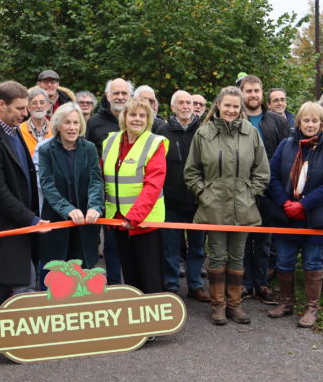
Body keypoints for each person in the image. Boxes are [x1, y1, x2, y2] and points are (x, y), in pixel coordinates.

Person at [185, 87, 270, 325]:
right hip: (214, 208)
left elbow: (262, 170)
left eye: (236, 106)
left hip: (243, 207)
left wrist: (251, 193)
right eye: (227, 105)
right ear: (219, 106)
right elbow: (191, 171)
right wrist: (204, 194)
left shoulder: (250, 133)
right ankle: (218, 306)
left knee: (237, 256)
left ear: (240, 108)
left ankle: (234, 305)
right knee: (217, 256)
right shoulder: (204, 133)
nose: (231, 110)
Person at [0, 81, 46, 308]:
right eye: (20, 108)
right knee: (25, 283)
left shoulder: (11, 129)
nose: (25, 114)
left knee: (5, 282)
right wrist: (32, 220)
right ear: (1, 105)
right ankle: (32, 338)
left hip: (17, 224)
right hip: (3, 228)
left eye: (26, 108)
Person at [265, 102, 323, 328]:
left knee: (312, 261)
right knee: (285, 260)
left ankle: (312, 307)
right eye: (306, 120)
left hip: (316, 217)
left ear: (321, 124)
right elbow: (273, 176)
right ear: (298, 122)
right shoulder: (285, 146)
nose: (310, 124)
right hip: (286, 215)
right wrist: (285, 202)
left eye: (314, 121)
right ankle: (286, 302)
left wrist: (304, 205)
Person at [102, 95, 168, 294]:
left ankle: (155, 319)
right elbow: (101, 177)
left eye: (142, 115)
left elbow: (153, 185)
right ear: (124, 117)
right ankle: (136, 319)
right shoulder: (111, 141)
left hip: (145, 223)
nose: (137, 119)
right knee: (130, 277)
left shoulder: (155, 143)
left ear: (148, 119)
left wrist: (135, 216)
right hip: (119, 221)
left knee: (150, 277)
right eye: (132, 114)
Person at [37, 102, 105, 285]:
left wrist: (95, 206)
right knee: (57, 275)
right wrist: (68, 209)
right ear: (58, 124)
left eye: (76, 123)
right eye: (67, 122)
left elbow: (95, 180)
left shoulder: (89, 148)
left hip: (86, 222)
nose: (72, 127)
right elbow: (47, 185)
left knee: (84, 275)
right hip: (57, 221)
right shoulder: (45, 150)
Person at [239, 74, 290, 302]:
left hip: (269, 189)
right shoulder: (234, 118)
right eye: (248, 91)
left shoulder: (277, 122)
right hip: (239, 189)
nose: (252, 95)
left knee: (263, 240)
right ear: (241, 93)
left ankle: (261, 283)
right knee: (242, 239)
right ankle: (245, 283)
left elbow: (286, 155)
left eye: (256, 91)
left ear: (262, 94)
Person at [157, 90, 208, 302]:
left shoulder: (204, 130)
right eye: (181, 103)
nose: (186, 106)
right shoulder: (162, 131)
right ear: (173, 107)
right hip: (171, 200)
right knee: (170, 247)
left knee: (197, 246)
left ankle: (195, 285)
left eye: (189, 102)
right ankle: (171, 284)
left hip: (198, 201)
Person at [86, 77, 132, 284]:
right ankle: (113, 287)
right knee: (108, 245)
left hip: (131, 196)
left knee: (131, 245)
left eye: (124, 93)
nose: (120, 97)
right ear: (107, 96)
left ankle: (133, 287)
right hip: (102, 194)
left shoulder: (137, 120)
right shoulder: (93, 123)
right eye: (116, 93)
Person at [20, 88, 54, 155]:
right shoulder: (20, 130)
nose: (39, 106)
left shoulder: (55, 129)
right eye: (34, 103)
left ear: (47, 106)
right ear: (28, 107)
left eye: (42, 102)